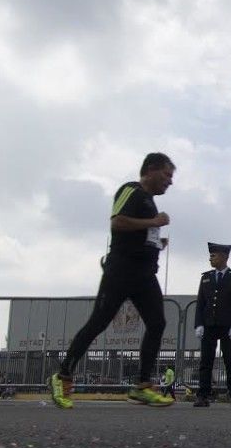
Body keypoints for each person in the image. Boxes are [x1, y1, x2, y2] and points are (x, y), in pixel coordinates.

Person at [49, 153, 176, 409]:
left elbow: (138, 234)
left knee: (157, 322)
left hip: (144, 274)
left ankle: (142, 386)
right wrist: (154, 222)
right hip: (122, 270)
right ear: (150, 169)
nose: (170, 182)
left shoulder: (149, 201)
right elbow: (117, 222)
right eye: (166, 175)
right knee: (98, 322)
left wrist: (156, 243)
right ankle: (62, 377)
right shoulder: (131, 190)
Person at [193, 242, 231, 408]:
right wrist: (199, 324)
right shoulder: (206, 277)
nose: (210, 258)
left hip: (227, 326)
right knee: (206, 362)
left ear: (224, 257)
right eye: (210, 255)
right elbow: (201, 302)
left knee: (230, 361)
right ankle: (202, 395)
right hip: (209, 325)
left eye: (214, 255)